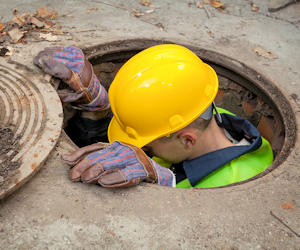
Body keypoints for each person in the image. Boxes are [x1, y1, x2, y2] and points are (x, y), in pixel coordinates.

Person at [34, 44, 273, 188]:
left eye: (147, 144)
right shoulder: (201, 116)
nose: (144, 149)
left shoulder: (230, 184)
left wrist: (166, 187)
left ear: (187, 140)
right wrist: (97, 113)